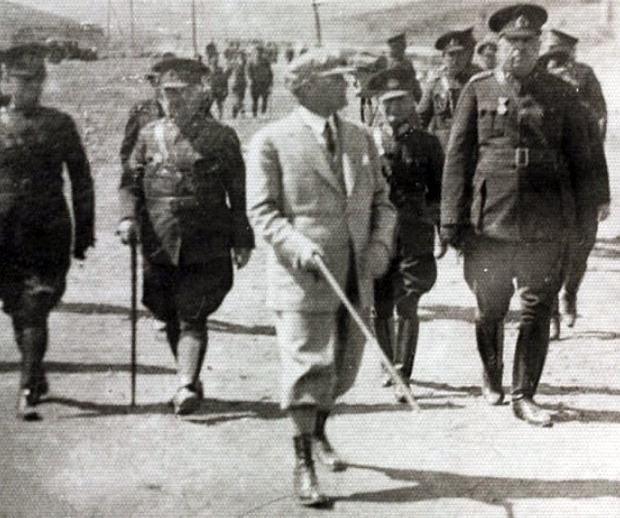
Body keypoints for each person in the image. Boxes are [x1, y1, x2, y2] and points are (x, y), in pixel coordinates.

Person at [247, 48, 396, 506]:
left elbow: (383, 202)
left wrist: (379, 246)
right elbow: (263, 211)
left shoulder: (360, 137)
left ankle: (318, 432)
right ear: (307, 86)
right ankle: (303, 464)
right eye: (336, 79)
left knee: (342, 372)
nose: (347, 86)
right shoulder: (272, 141)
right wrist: (296, 245)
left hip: (356, 277)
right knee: (308, 368)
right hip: (304, 279)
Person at [440, 4, 600, 428]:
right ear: (498, 45)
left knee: (537, 307)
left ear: (540, 44)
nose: (521, 49)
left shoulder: (560, 92)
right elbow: (457, 158)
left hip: (545, 218)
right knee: (490, 307)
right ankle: (491, 373)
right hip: (490, 220)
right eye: (513, 41)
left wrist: (585, 214)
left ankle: (524, 394)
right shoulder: (478, 90)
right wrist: (451, 219)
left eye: (530, 42)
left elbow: (581, 156)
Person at [118, 57, 254, 416]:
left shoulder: (221, 137)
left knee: (193, 312)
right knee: (165, 310)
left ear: (199, 93)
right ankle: (188, 374)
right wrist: (127, 218)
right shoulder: (148, 136)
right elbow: (130, 183)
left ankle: (185, 384)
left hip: (206, 237)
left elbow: (238, 193)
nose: (174, 99)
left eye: (182, 92)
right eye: (168, 93)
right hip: (159, 237)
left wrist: (242, 238)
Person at [0, 43, 95, 420]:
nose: (31, 88)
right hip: (4, 232)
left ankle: (27, 388)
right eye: (23, 80)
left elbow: (81, 179)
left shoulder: (60, 124)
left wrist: (85, 232)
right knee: (17, 307)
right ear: (6, 79)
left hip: (48, 229)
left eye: (37, 80)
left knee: (35, 306)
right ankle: (34, 371)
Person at [365, 67, 444, 402]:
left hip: (414, 229)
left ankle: (402, 373)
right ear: (378, 105)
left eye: (400, 101)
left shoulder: (427, 143)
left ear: (413, 102)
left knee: (408, 300)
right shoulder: (366, 142)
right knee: (380, 304)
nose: (393, 108)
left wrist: (442, 230)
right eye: (387, 102)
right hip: (378, 231)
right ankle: (387, 363)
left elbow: (438, 193)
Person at [538, 40, 610, 339]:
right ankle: (552, 312)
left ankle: (570, 292)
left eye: (565, 74)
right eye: (555, 74)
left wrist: (603, 197)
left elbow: (597, 156)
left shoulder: (584, 113)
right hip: (553, 193)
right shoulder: (539, 114)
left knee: (583, 246)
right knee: (553, 252)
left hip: (584, 192)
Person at [417, 27, 481, 151]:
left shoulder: (477, 82)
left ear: (467, 56)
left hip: (470, 147)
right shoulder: (435, 84)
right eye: (451, 55)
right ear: (443, 57)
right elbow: (421, 119)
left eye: (460, 54)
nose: (455, 60)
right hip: (442, 149)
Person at [385, 33, 422, 102]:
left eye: (393, 48)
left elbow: (412, 83)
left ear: (401, 49)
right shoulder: (392, 62)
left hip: (403, 98)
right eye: (390, 47)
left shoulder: (406, 63)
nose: (390, 51)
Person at [248, 45, 274, 118]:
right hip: (255, 83)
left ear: (262, 52)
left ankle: (263, 112)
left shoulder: (266, 61)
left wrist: (271, 83)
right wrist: (250, 79)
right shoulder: (251, 61)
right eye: (257, 52)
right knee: (255, 99)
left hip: (264, 83)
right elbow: (249, 72)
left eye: (260, 52)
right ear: (254, 52)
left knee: (265, 98)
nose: (258, 53)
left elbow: (270, 72)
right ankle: (254, 113)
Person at [207, 53, 230, 120]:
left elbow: (223, 79)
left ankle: (220, 116)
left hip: (218, 89)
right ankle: (208, 116)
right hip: (211, 89)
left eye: (216, 59)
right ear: (210, 60)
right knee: (208, 103)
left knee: (219, 104)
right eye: (213, 59)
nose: (215, 60)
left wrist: (225, 89)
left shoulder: (220, 69)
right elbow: (204, 79)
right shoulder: (207, 69)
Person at [230, 51, 248, 119]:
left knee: (240, 100)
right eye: (240, 57)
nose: (241, 58)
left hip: (242, 85)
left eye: (242, 57)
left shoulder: (244, 64)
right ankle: (240, 112)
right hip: (236, 84)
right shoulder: (236, 65)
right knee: (238, 100)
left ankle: (236, 112)